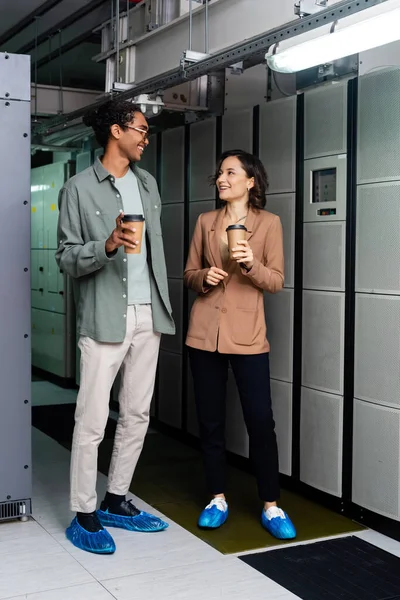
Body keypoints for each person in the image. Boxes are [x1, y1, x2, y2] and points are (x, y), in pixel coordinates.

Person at [55, 99, 175, 554]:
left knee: (137, 414)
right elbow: (66, 256)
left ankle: (116, 500)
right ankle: (84, 513)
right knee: (91, 420)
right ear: (115, 132)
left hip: (149, 313)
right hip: (105, 315)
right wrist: (104, 246)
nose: (146, 137)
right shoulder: (79, 188)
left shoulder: (147, 183)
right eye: (140, 129)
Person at [183, 149, 296, 540]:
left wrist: (250, 265)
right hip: (204, 334)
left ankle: (271, 505)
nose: (221, 178)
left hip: (249, 335)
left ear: (251, 181)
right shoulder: (205, 221)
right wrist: (203, 277)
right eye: (219, 173)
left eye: (230, 172)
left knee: (261, 422)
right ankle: (217, 497)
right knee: (210, 421)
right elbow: (188, 273)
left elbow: (277, 280)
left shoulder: (269, 224)